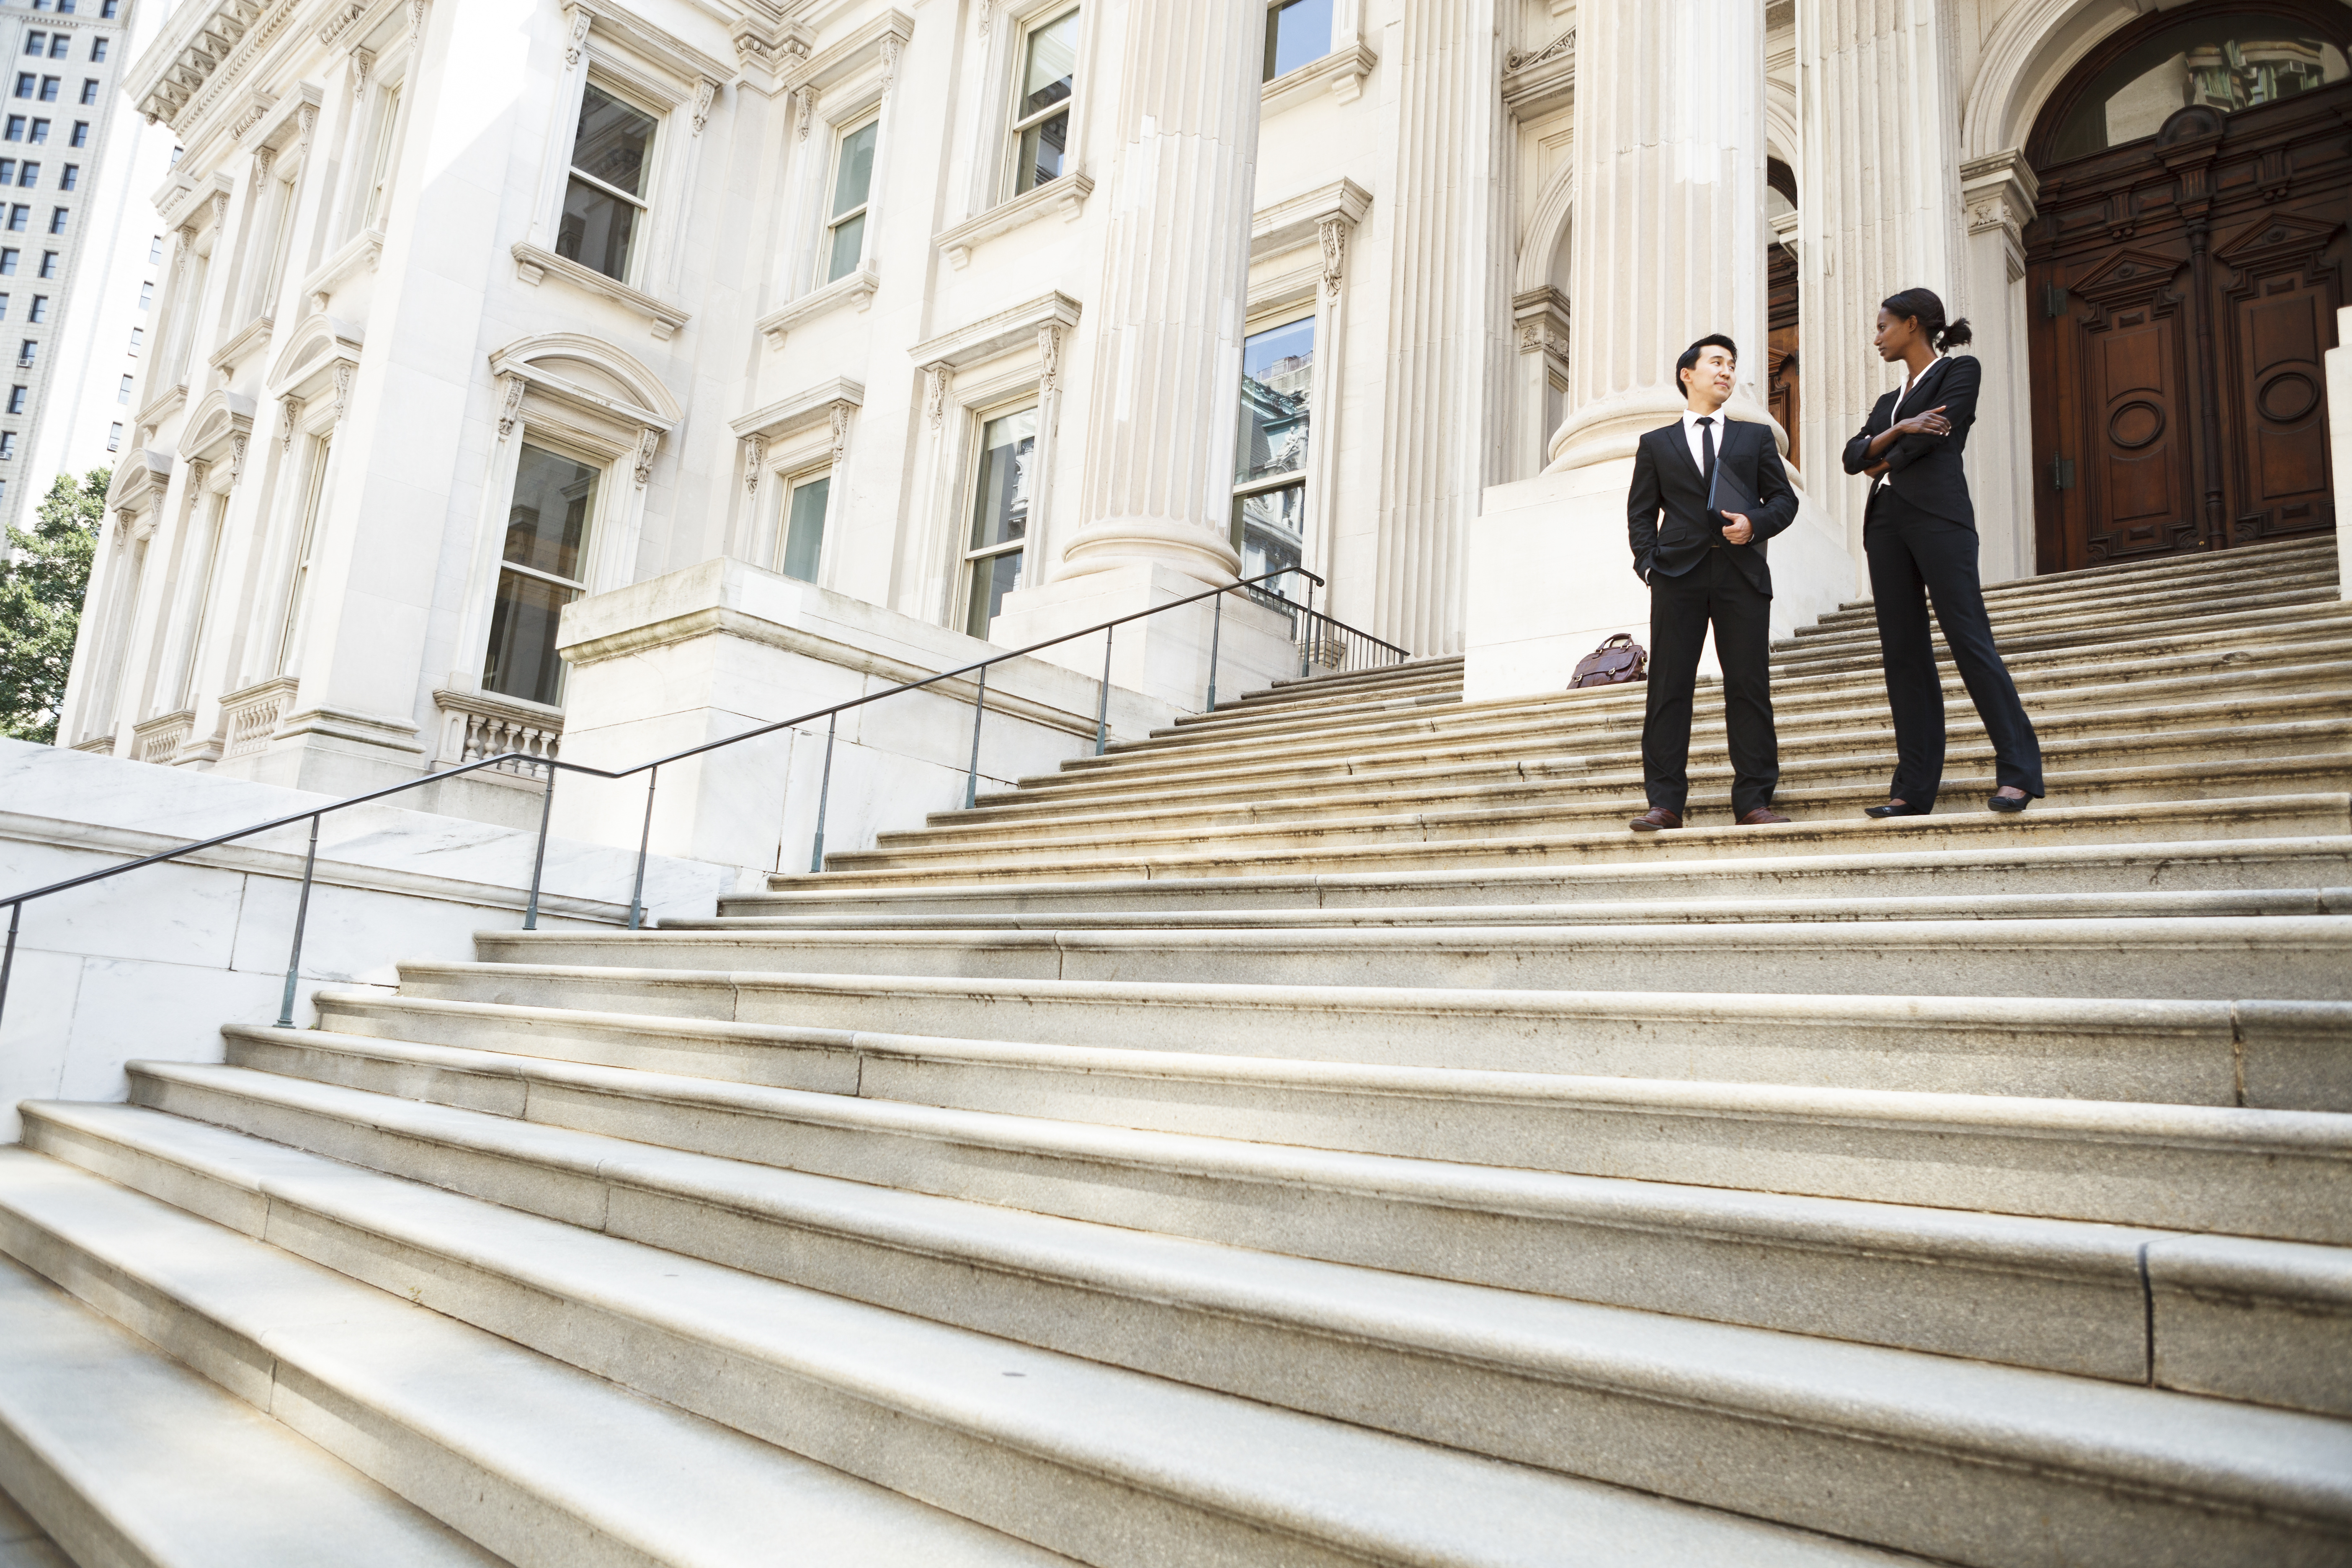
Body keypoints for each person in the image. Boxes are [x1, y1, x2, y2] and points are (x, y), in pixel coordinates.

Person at [1841, 287, 2044, 817]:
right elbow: (1850, 457)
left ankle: (2019, 771)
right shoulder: (1890, 403)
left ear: (1912, 324)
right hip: (1884, 524)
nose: (1877, 337)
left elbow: (1933, 438)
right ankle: (1913, 789)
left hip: (1939, 518)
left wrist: (1884, 450)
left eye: (1884, 326)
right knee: (1903, 655)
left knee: (1969, 637)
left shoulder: (1961, 371)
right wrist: (1903, 427)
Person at [1624, 333, 1800, 832]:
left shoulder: (1755, 438)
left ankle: (1753, 800)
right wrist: (1649, 565)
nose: (1726, 372)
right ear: (1689, 374)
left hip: (1741, 574)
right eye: (1716, 363)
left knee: (1749, 686)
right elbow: (1640, 514)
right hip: (1676, 576)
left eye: (1732, 365)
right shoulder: (1656, 444)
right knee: (1668, 689)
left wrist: (1755, 525)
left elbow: (1783, 502)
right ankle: (1664, 803)